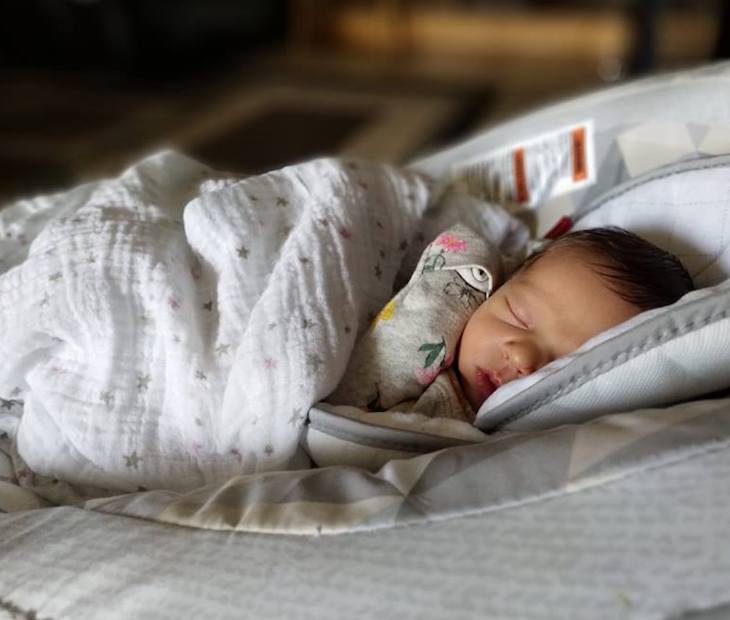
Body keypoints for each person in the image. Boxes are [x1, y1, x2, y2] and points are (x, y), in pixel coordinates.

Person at [327, 225, 695, 420]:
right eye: (518, 317)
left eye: (562, 363)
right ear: (503, 281)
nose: (522, 358)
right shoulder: (466, 282)